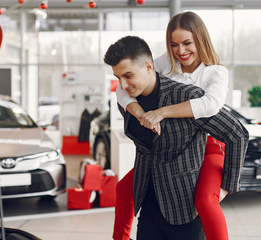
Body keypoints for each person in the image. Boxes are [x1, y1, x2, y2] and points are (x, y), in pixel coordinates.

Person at [104, 35, 249, 240]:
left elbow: (237, 134)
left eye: (128, 75)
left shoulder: (186, 97)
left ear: (148, 66)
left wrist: (228, 185)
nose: (123, 84)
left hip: (184, 213)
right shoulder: (127, 102)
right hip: (148, 210)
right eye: (117, 78)